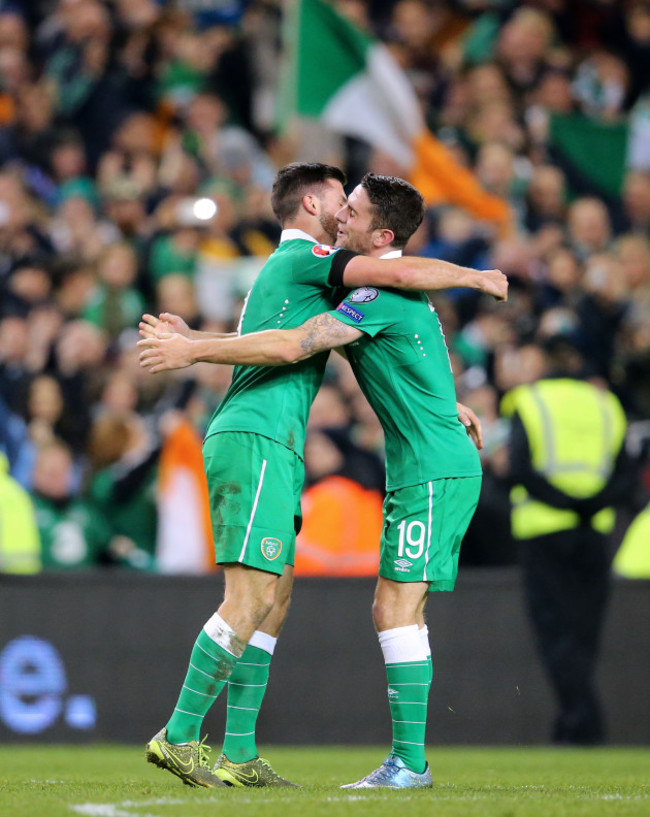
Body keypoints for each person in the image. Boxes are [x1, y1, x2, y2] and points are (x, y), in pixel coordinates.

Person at [140, 172, 501, 788]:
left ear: (381, 234)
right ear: (310, 203)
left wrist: (475, 281)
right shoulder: (323, 268)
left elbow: (325, 324)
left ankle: (401, 763)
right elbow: (289, 340)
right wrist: (197, 344)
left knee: (357, 604)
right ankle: (196, 742)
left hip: (416, 465)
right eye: (341, 201)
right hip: (271, 441)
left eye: (352, 209)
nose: (341, 218)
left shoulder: (361, 286)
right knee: (270, 597)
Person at [501, 337, 630, 745]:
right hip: (595, 530)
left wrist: (564, 502)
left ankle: (582, 724)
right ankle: (572, 726)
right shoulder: (606, 404)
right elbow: (626, 474)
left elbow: (518, 468)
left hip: (544, 529)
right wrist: (590, 504)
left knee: (554, 633)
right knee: (585, 630)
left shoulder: (530, 400)